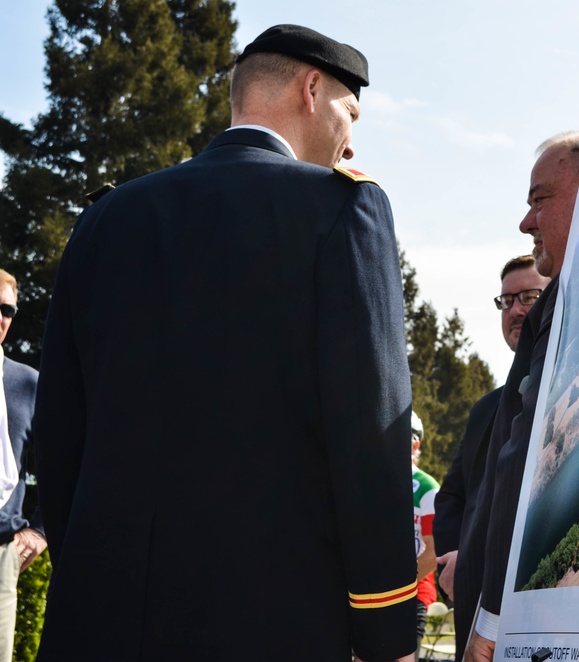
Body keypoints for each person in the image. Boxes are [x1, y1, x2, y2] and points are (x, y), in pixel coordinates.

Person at [33, 25, 417, 662]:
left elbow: (61, 429)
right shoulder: (343, 210)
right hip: (272, 622)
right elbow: (371, 433)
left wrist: (93, 576)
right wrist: (386, 630)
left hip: (100, 620)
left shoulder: (107, 217)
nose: (352, 140)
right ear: (312, 88)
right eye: (352, 113)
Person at [457, 132, 579, 662]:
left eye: (540, 199)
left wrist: (496, 613)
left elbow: (525, 463)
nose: (526, 222)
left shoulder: (574, 297)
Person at [432, 255, 549, 658]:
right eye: (507, 301)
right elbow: (452, 499)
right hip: (474, 621)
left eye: (530, 296)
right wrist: (458, 567)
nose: (517, 310)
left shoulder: (566, 388)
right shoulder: (486, 409)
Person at [0, 270, 46, 662]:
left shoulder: (29, 384)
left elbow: (63, 461)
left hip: (2, 556)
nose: (0, 316)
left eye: (7, 309)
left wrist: (41, 529)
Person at [410, 411, 439, 655]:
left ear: (415, 444)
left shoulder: (428, 488)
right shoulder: (373, 485)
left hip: (413, 593)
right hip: (368, 595)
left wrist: (398, 585)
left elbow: (435, 551)